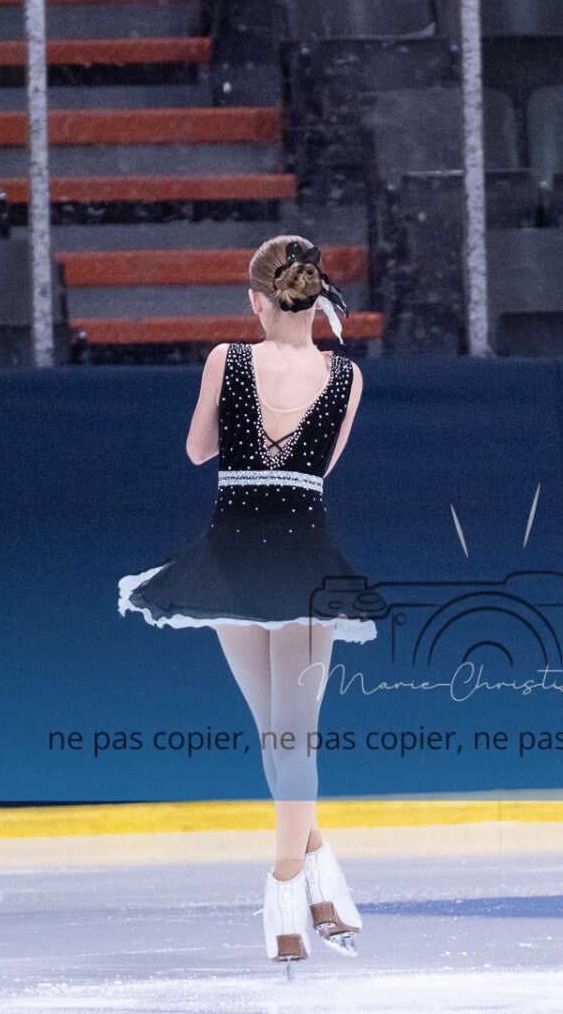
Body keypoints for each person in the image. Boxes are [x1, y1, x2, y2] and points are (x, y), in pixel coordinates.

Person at [117, 234, 374, 964]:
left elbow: (199, 450)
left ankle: (287, 886)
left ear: (256, 300)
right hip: (303, 555)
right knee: (292, 733)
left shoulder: (225, 361)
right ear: (315, 298)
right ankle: (313, 877)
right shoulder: (346, 376)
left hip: (230, 558)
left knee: (277, 734)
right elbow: (320, 467)